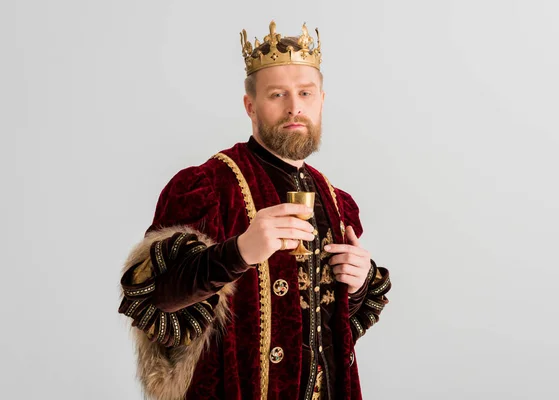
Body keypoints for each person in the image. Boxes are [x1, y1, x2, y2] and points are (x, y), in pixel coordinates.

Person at [118, 20, 391, 400]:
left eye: (306, 94)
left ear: (322, 101)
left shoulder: (338, 202)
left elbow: (331, 329)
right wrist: (240, 251)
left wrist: (358, 285)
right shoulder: (207, 187)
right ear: (250, 105)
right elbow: (153, 301)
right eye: (277, 95)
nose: (295, 107)